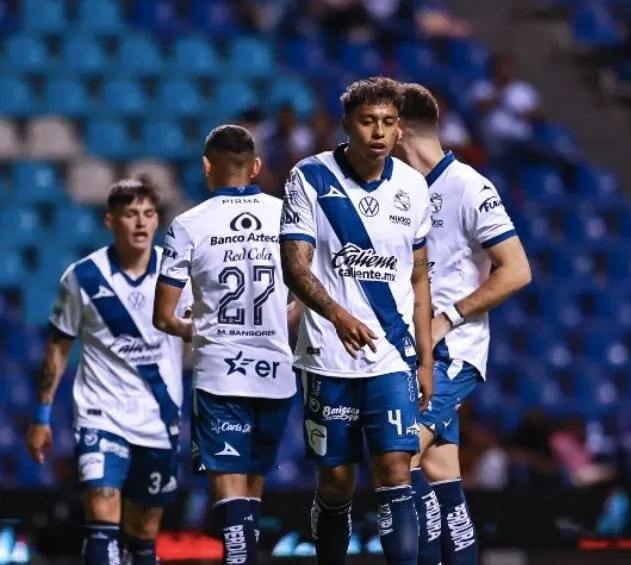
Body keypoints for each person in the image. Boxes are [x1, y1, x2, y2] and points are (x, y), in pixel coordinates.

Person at [278, 76, 434, 565]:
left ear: (400, 130)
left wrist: (425, 359)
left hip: (390, 357)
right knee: (337, 482)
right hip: (328, 356)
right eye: (368, 122)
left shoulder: (412, 185)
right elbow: (295, 265)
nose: (379, 132)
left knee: (395, 470)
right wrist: (338, 315)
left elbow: (420, 277)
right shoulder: (309, 177)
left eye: (389, 122)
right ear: (348, 124)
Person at [393, 82, 532, 565]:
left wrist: (448, 318)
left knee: (398, 460)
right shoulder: (401, 192)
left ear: (401, 129)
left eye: (383, 126)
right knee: (439, 470)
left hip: (452, 350)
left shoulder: (468, 186)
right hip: (413, 353)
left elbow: (517, 270)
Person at [24, 179, 188, 565]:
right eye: (131, 214)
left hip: (159, 420)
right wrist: (42, 416)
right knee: (101, 515)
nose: (141, 223)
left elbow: (200, 335)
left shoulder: (178, 274)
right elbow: (58, 348)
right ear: (110, 221)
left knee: (144, 533)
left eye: (149, 214)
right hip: (102, 416)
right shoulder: (82, 277)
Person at [153, 125, 296, 565]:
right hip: (276, 373)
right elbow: (310, 298)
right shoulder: (288, 216)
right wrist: (278, 321)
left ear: (206, 167)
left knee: (229, 490)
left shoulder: (188, 225)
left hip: (220, 373)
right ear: (255, 168)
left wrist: (201, 331)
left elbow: (163, 316)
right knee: (251, 490)